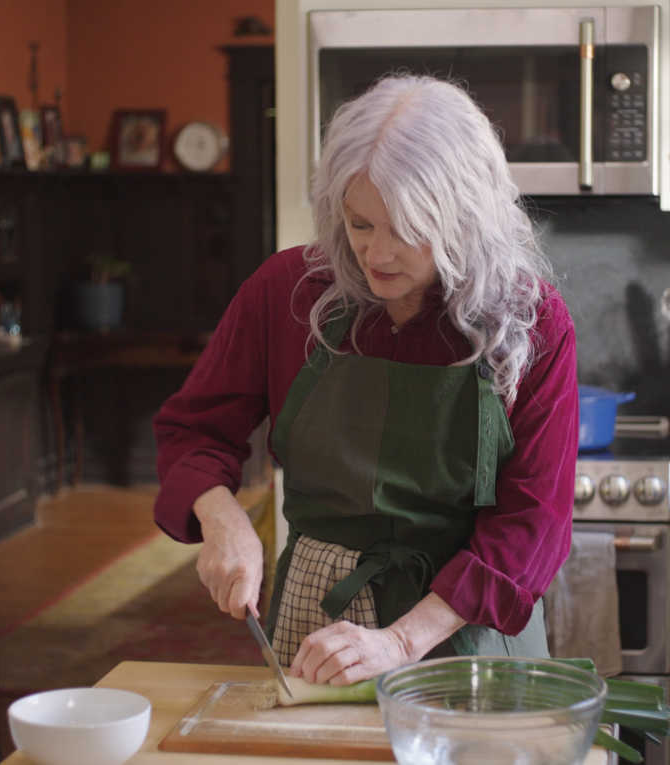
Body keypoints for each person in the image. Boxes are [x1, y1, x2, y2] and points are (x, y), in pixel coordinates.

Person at [152, 75, 579, 688]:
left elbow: (533, 524)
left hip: (464, 630)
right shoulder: (288, 292)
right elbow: (194, 430)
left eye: (406, 229)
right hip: (316, 623)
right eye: (359, 224)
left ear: (466, 219)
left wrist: (402, 639)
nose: (376, 254)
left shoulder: (530, 320)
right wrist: (223, 519)